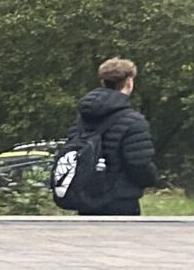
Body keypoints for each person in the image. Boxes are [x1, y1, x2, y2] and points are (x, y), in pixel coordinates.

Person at [63, 57, 159, 216]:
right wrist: (151, 179)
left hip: (86, 198)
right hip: (121, 201)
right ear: (129, 82)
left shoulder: (82, 118)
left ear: (103, 82)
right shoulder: (133, 121)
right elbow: (139, 164)